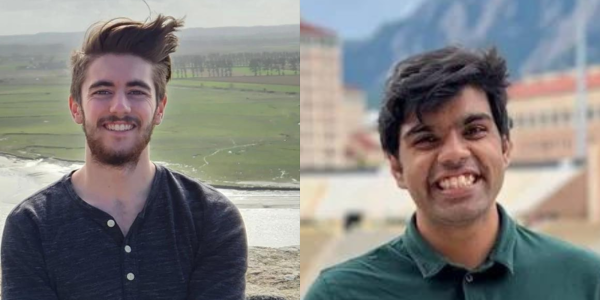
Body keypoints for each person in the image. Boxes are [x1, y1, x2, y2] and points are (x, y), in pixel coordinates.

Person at [304, 46, 600, 299]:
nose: (455, 153)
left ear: (506, 146)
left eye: (474, 130)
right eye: (427, 139)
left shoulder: (586, 280)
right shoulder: (340, 293)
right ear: (396, 167)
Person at [1, 15, 247, 299]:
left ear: (160, 108)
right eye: (103, 91)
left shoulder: (211, 218)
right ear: (76, 107)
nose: (120, 106)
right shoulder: (32, 226)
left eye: (136, 91)